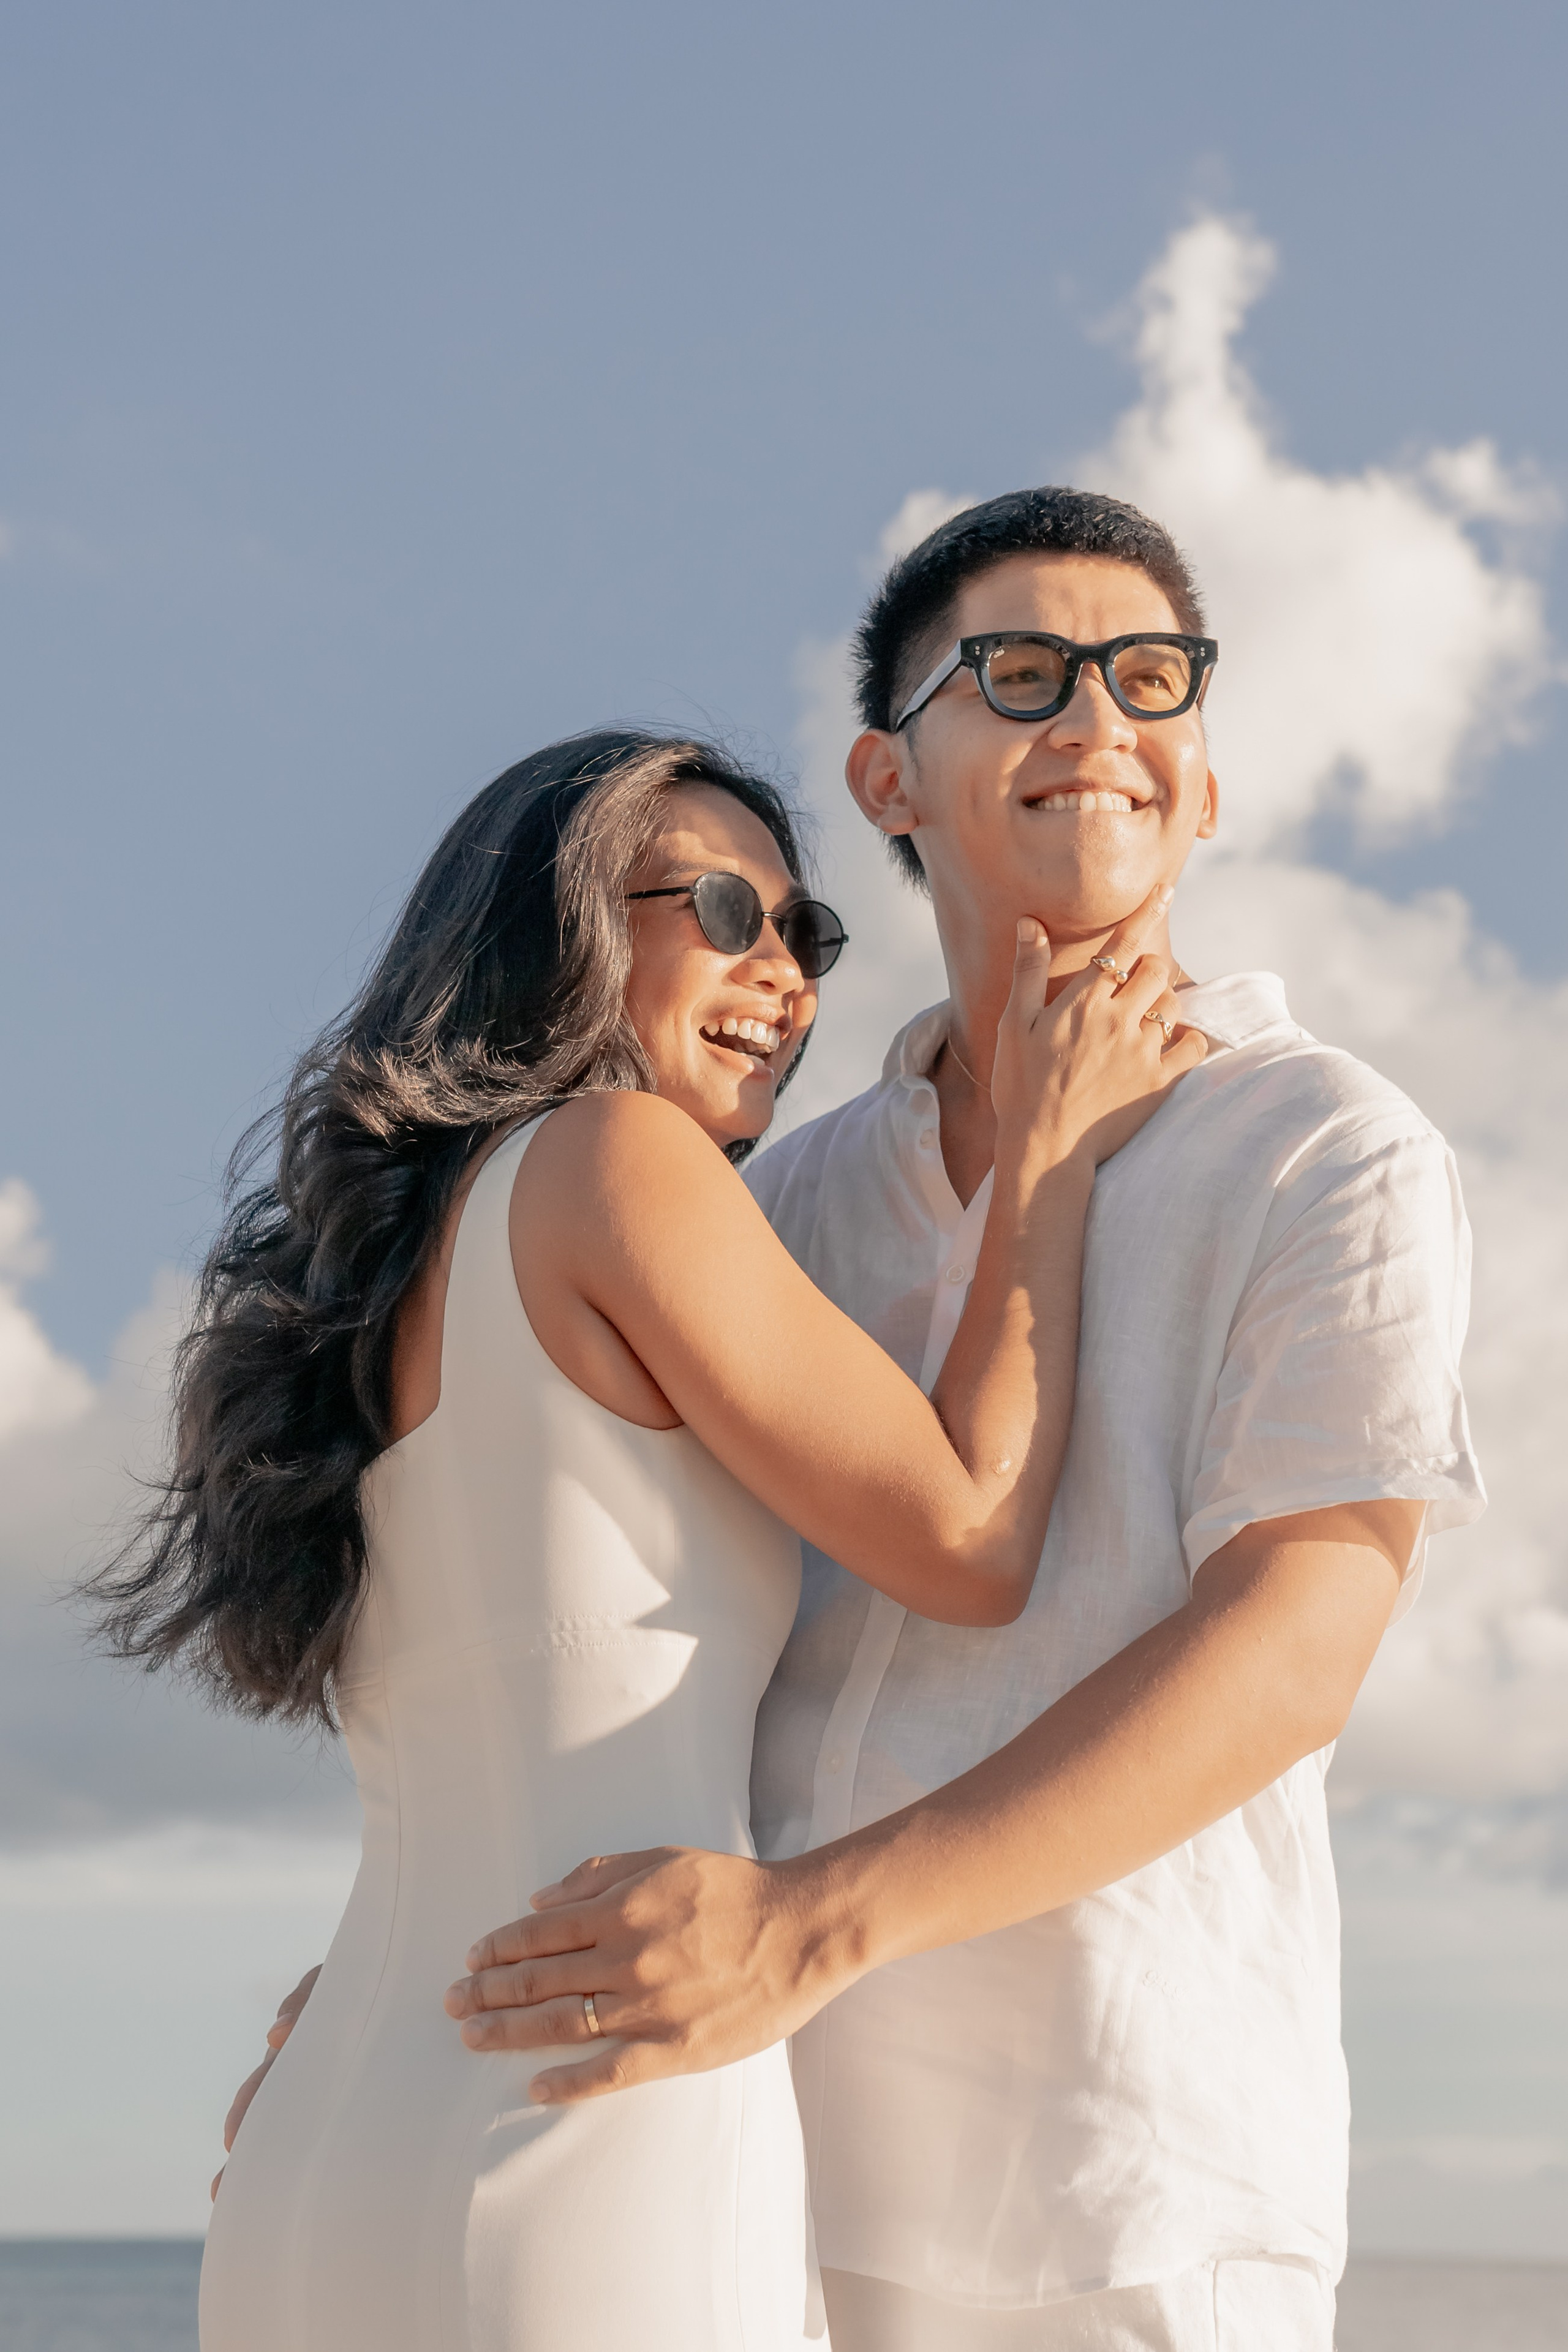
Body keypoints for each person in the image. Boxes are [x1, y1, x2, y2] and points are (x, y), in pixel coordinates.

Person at [426, 492, 1487, 2351]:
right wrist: (416, 1984)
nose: (1094, 722)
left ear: (1207, 780)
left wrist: (812, 1927)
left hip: (1122, 2188)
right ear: (890, 778)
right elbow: (603, 1632)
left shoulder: (1329, 1145)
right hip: (728, 2163)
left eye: (1152, 679)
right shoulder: (771, 1195)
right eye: (1020, 672)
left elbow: (1296, 1648)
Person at [96, 725, 1199, 2352]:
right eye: (728, 914)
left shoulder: (377, 1299)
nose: (791, 979)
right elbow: (968, 1533)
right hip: (593, 2116)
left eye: (808, 933)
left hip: (319, 2147)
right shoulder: (618, 1161)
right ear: (563, 930)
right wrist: (1045, 1150)